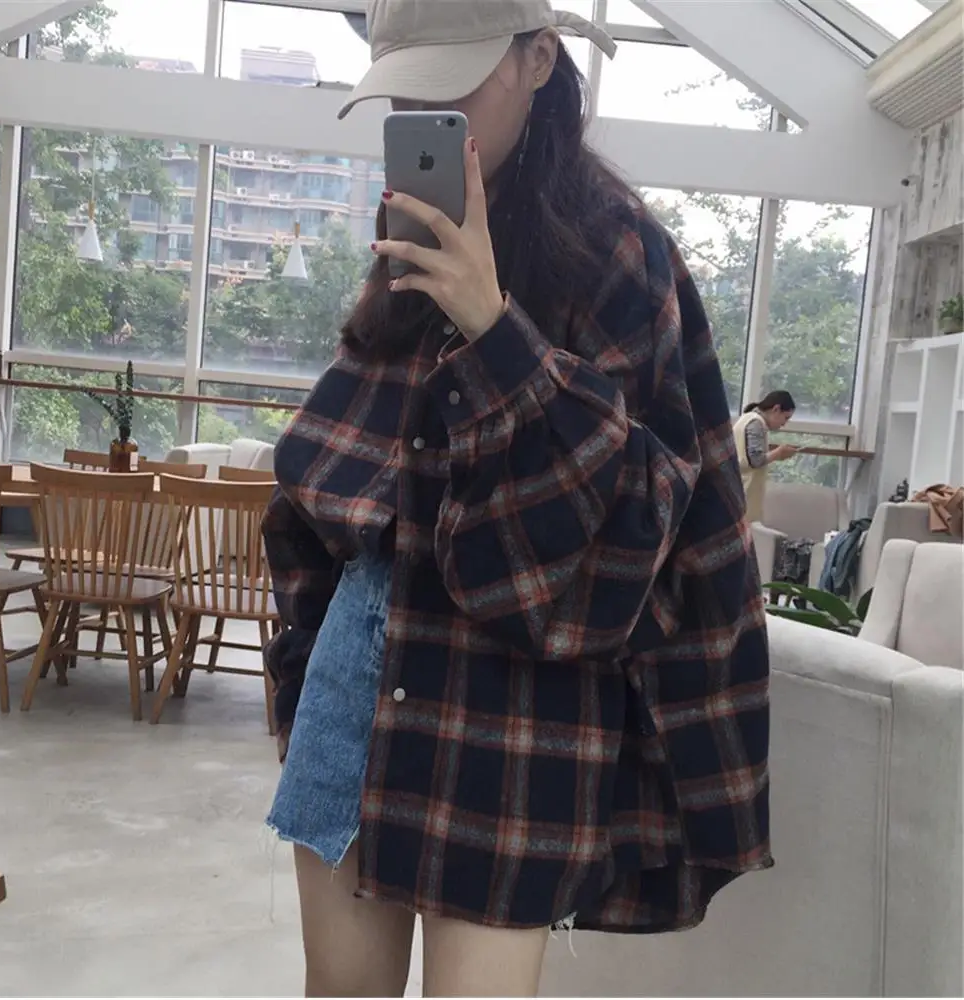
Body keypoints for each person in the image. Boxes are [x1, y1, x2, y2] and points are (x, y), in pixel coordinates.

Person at [263, 1, 772, 996]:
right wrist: (301, 661)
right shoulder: (417, 228)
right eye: (404, 93)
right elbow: (354, 468)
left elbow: (639, 517)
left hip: (520, 700)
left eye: (449, 83)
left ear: (539, 60)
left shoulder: (616, 250)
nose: (422, 112)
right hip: (363, 663)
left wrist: (492, 326)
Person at [733, 390, 799, 523]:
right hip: (744, 492)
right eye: (786, 418)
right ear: (776, 409)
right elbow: (755, 460)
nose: (784, 424)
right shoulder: (756, 424)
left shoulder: (746, 419)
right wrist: (778, 453)